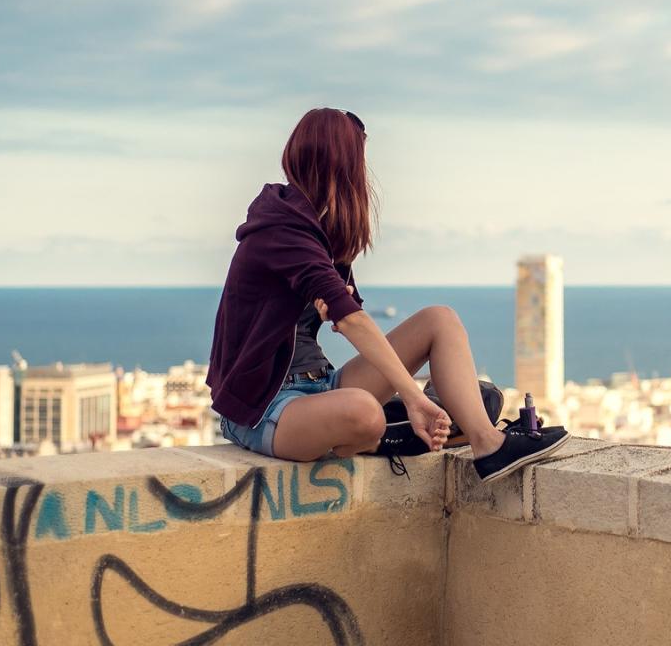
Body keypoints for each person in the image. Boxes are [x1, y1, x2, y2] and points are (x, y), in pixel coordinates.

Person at [206, 107, 567, 481]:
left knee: (439, 320)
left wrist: (337, 304)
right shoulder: (282, 228)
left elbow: (345, 314)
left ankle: (489, 445)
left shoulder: (318, 229)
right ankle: (385, 434)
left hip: (321, 385)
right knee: (365, 412)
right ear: (343, 164)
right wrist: (413, 396)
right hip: (264, 407)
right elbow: (350, 319)